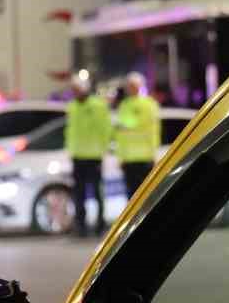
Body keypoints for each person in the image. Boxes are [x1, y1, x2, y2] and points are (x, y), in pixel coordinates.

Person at [64, 70, 112, 237]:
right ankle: (81, 226)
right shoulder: (72, 106)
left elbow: (105, 130)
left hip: (94, 156)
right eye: (73, 89)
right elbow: (70, 131)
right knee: (79, 194)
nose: (74, 92)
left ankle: (100, 225)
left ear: (84, 89)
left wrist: (102, 150)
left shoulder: (98, 106)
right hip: (78, 156)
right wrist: (70, 150)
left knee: (97, 192)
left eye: (77, 89)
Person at [113, 71, 161, 202]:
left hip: (145, 158)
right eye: (129, 85)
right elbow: (120, 134)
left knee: (147, 196)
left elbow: (153, 131)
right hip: (129, 159)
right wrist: (121, 157)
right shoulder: (124, 105)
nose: (130, 88)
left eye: (133, 85)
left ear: (140, 86)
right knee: (131, 198)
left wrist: (153, 154)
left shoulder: (149, 104)